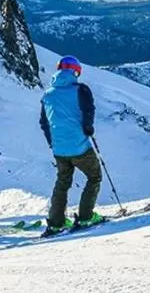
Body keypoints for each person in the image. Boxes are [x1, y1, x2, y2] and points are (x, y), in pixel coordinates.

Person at [39, 55, 104, 235]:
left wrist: (52, 143)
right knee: (94, 176)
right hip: (80, 146)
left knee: (62, 182)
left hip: (59, 149)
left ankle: (56, 222)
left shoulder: (47, 94)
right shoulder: (81, 90)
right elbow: (88, 111)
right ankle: (85, 217)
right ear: (76, 71)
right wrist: (88, 128)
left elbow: (43, 122)